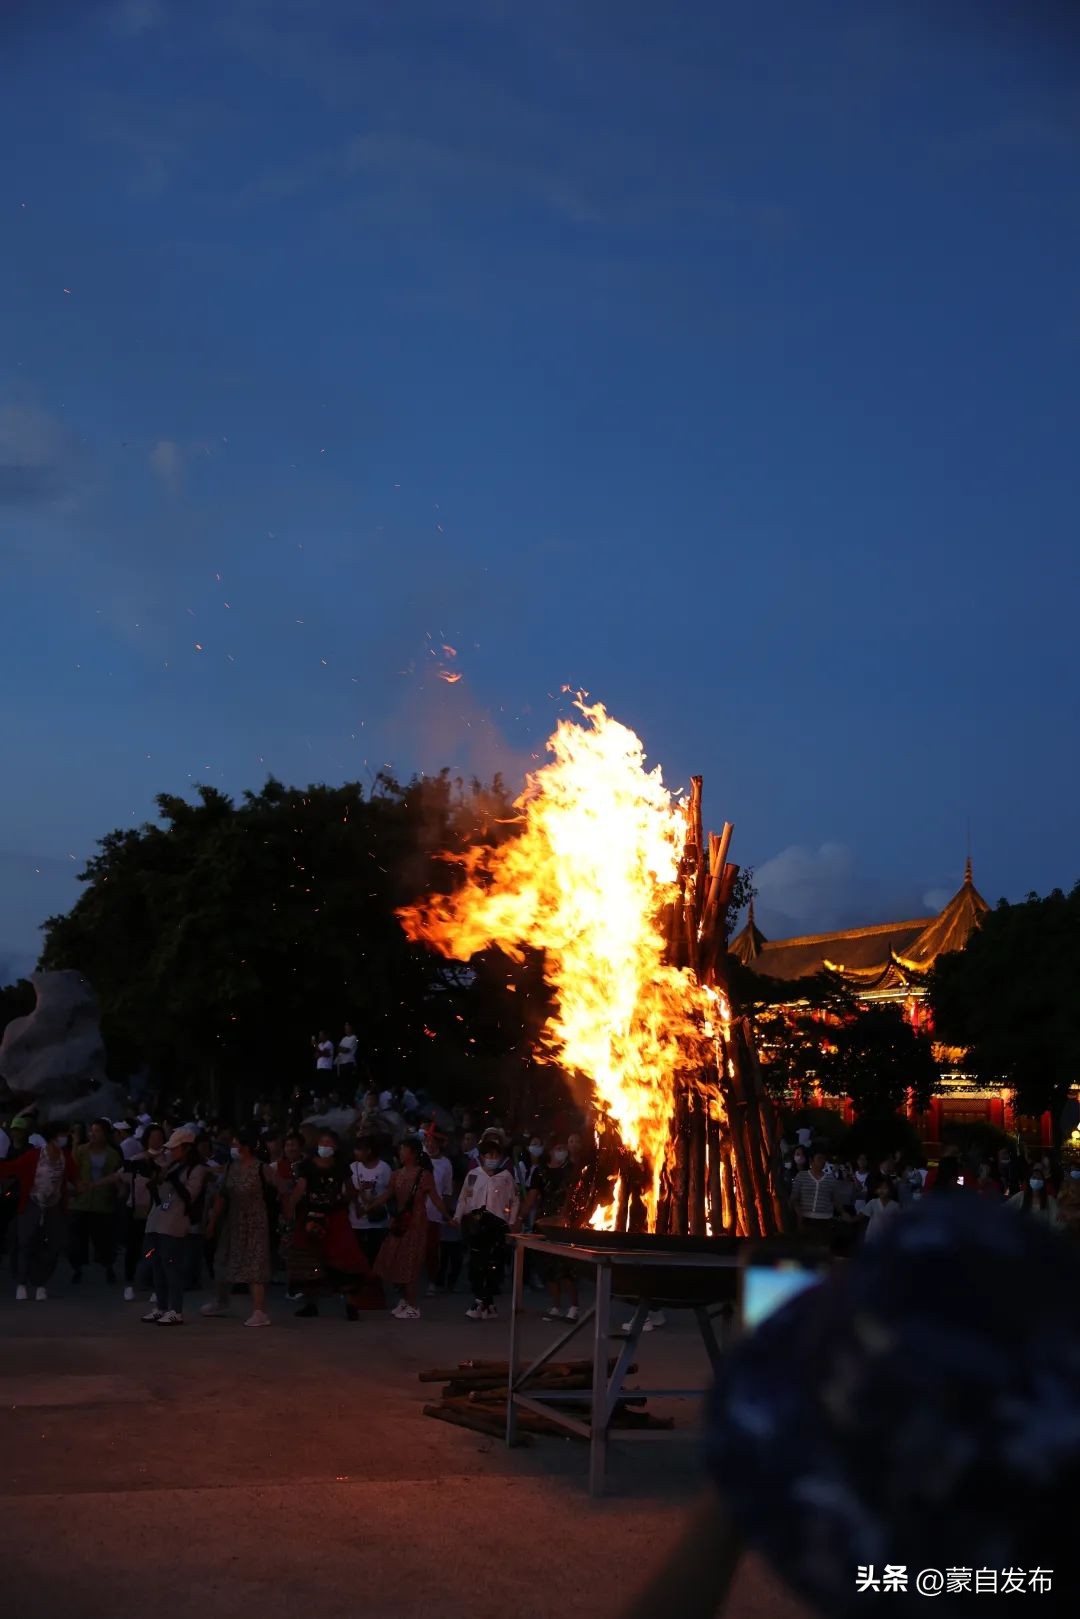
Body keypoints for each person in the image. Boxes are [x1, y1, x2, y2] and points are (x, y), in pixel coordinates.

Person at [368, 1137, 453, 1320]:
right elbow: (387, 1194)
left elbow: (436, 1198)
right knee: (394, 1258)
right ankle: (405, 1300)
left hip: (416, 1223)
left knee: (410, 1262)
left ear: (413, 1153)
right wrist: (369, 1206)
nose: (400, 1153)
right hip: (400, 1222)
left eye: (403, 1150)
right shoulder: (396, 1174)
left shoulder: (424, 1175)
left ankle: (413, 1304)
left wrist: (447, 1217)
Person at [286, 1130, 367, 1319]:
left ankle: (351, 1305)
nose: (325, 1145)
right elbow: (301, 1188)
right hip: (311, 1217)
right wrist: (290, 1206)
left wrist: (356, 1204)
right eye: (322, 1142)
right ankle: (311, 1304)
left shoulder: (341, 1166)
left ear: (336, 1147)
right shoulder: (307, 1166)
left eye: (329, 1142)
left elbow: (350, 1188)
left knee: (343, 1258)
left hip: (336, 1217)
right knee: (311, 1260)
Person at [200, 1129, 274, 1327]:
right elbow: (221, 1197)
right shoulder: (230, 1168)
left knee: (255, 1263)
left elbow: (279, 1189)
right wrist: (212, 1222)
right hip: (233, 1222)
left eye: (235, 1145)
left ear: (246, 1147)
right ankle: (221, 1301)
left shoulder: (262, 1168)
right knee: (222, 1260)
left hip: (256, 1222)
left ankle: (259, 1311)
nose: (232, 1148)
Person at [0, 1122, 77, 1300]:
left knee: (54, 1246)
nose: (65, 1138)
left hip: (54, 1206)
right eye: (62, 1135)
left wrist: (82, 1186)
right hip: (31, 1204)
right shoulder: (33, 1156)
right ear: (53, 1137)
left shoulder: (65, 1157)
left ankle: (41, 1282)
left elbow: (75, 1178)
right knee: (25, 1243)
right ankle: (21, 1283)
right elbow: (11, 1168)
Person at [142, 1128, 210, 1325]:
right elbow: (160, 1193)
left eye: (175, 1148)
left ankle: (176, 1310)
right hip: (157, 1220)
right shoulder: (173, 1165)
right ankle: (161, 1307)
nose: (171, 1151)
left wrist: (173, 1181)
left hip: (174, 1223)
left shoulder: (197, 1169)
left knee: (171, 1267)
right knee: (156, 1265)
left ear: (187, 1148)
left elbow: (190, 1196)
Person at [455, 1130, 520, 1322]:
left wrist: (511, 1221)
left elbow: (514, 1200)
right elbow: (464, 1198)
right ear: (482, 1157)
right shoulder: (473, 1175)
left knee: (493, 1264)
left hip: (497, 1224)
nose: (492, 1158)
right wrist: (458, 1217)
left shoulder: (506, 1176)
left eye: (495, 1155)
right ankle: (486, 1302)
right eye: (488, 1155)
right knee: (476, 1264)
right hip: (476, 1223)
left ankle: (481, 1301)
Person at [524, 1137, 580, 1322]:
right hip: (544, 1222)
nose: (561, 1150)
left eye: (563, 1148)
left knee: (566, 1267)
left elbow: (576, 1195)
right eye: (558, 1147)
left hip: (565, 1224)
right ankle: (556, 1306)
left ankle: (574, 1306)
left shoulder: (572, 1171)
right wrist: (518, 1217)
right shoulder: (540, 1172)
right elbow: (532, 1196)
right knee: (546, 1266)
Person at [68, 1118, 122, 1284]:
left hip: (103, 1202)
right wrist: (75, 1143)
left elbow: (117, 1176)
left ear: (105, 1134)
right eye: (92, 1131)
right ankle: (77, 1268)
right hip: (81, 1201)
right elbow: (72, 1168)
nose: (93, 1134)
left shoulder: (113, 1154)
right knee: (77, 1238)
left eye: (97, 1131)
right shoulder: (82, 1150)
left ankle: (108, 1266)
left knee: (104, 1238)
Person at [120, 1122, 165, 1300]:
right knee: (134, 1247)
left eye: (160, 1137)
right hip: (138, 1210)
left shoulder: (167, 1160)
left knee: (156, 1249)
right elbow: (119, 1176)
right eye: (153, 1137)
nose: (157, 1140)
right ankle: (130, 1283)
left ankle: (156, 1286)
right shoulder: (136, 1159)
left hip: (160, 1211)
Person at [347, 1133, 393, 1269]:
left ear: (369, 1150)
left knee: (375, 1258)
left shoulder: (384, 1168)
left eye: (359, 1149)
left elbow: (390, 1192)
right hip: (356, 1221)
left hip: (378, 1221)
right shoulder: (352, 1167)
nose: (356, 1152)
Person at [423, 1128, 455, 1292]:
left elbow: (448, 1191)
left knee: (431, 1249)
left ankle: (432, 1281)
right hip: (416, 1210)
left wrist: (446, 1213)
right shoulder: (420, 1159)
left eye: (433, 1143)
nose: (429, 1146)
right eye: (427, 1142)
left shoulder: (445, 1163)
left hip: (435, 1212)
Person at [789, 1148, 844, 1230]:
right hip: (805, 1218)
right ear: (812, 1160)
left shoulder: (830, 1178)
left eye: (824, 1159)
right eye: (819, 1158)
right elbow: (794, 1197)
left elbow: (835, 1199)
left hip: (825, 1220)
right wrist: (798, 1214)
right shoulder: (801, 1176)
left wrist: (843, 1212)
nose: (822, 1161)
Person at [859, 1176, 901, 1243]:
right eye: (879, 1188)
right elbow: (861, 1215)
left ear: (890, 1190)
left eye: (885, 1188)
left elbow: (899, 1222)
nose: (881, 1190)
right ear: (876, 1190)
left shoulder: (895, 1205)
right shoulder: (873, 1202)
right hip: (872, 1237)